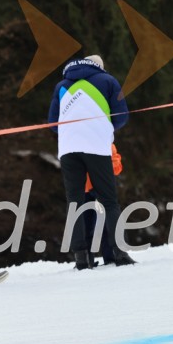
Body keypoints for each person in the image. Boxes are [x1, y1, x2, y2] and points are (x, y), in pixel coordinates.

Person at [48, 55, 135, 270]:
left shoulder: (61, 85)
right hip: (96, 146)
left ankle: (81, 258)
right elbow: (122, 116)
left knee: (75, 202)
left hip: (68, 149)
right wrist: (103, 128)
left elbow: (52, 123)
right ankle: (119, 253)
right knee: (109, 200)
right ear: (99, 67)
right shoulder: (107, 81)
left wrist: (72, 132)